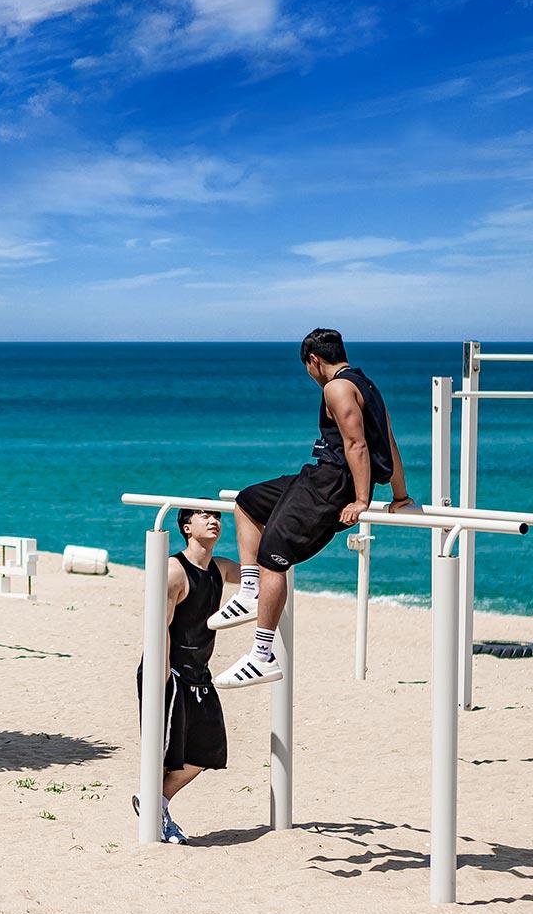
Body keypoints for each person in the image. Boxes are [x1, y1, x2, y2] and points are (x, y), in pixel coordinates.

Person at [210, 329, 416, 688]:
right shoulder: (366, 385)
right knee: (247, 501)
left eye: (307, 367)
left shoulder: (335, 388)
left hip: (332, 484)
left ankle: (261, 655)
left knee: (273, 553)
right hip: (320, 476)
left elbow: (357, 445)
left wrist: (362, 501)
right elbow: (390, 442)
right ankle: (248, 590)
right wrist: (400, 495)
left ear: (314, 360)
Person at [135, 505, 246, 844]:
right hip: (168, 671)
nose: (213, 520)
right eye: (203, 516)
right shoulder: (173, 571)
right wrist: (162, 677)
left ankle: (156, 801)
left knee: (208, 750)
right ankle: (157, 812)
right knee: (166, 753)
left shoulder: (220, 568)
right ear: (186, 527)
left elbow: (258, 573)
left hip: (200, 674)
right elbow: (160, 628)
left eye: (217, 516)